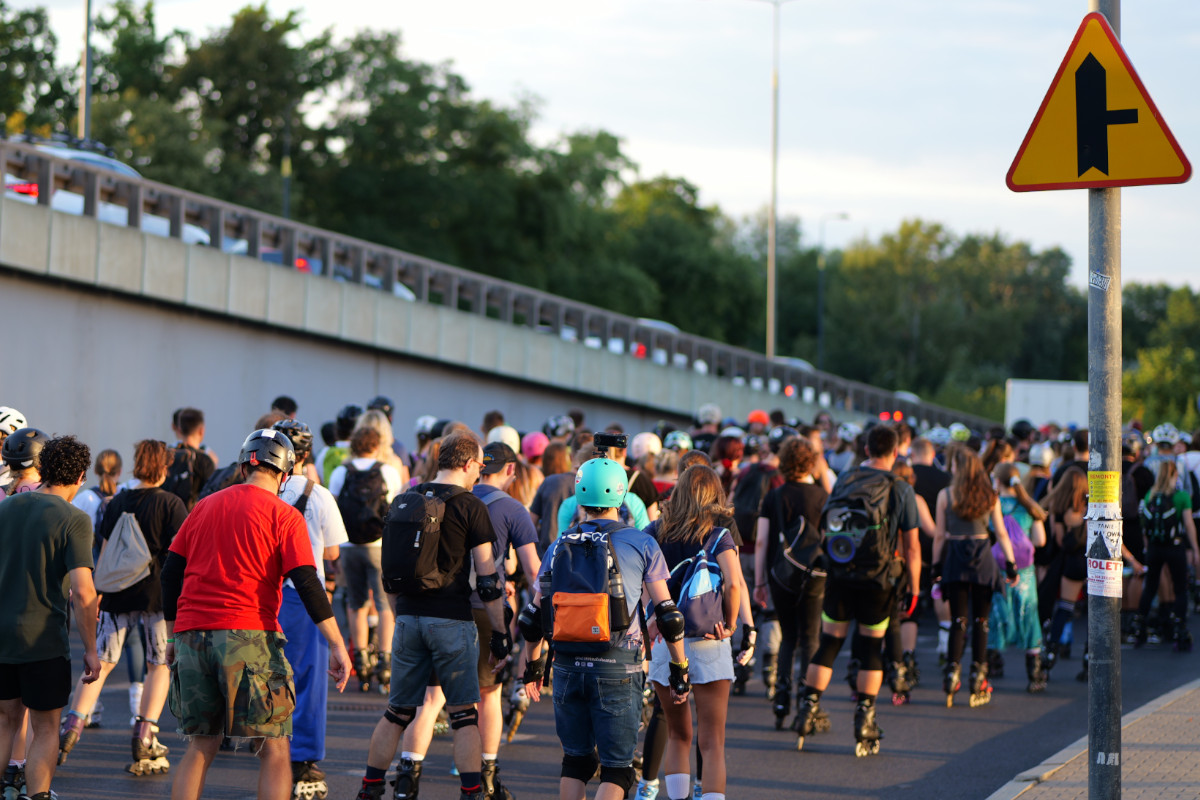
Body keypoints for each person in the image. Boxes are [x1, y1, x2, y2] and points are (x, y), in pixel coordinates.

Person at [162, 429, 351, 800]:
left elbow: (171, 572)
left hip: (192, 635)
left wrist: (171, 636)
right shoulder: (285, 515)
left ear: (244, 464)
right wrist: (337, 645)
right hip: (249, 637)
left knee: (201, 745)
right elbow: (309, 584)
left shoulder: (205, 505)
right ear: (284, 474)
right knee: (275, 746)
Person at [520, 446, 691, 800]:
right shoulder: (640, 542)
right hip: (618, 667)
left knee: (576, 763)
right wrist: (679, 667)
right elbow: (668, 616)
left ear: (580, 492)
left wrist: (534, 665)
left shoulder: (558, 546)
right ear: (621, 491)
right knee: (617, 770)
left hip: (567, 666)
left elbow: (532, 617)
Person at [355, 430, 510, 800]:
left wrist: (401, 614)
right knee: (463, 716)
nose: (479, 475)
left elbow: (388, 574)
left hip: (408, 618)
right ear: (470, 463)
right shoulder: (471, 506)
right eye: (478, 467)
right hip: (452, 621)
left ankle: (370, 787)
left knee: (397, 712)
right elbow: (488, 581)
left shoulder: (404, 499)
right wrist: (501, 633)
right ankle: (472, 792)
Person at [388, 442, 540, 800]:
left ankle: (407, 773)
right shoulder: (510, 508)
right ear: (508, 471)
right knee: (486, 697)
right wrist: (528, 620)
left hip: (422, 606)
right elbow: (530, 572)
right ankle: (483, 777)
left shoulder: (421, 496)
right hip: (478, 609)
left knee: (428, 700)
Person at [57, 440, 188, 774]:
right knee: (159, 663)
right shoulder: (171, 504)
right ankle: (145, 735)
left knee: (101, 661)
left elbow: (103, 543)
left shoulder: (116, 503)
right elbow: (182, 553)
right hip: (156, 594)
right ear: (163, 466)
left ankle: (71, 728)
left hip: (116, 592)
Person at [793, 425, 920, 757]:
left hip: (840, 574)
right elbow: (913, 546)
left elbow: (825, 528)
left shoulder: (845, 479)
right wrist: (915, 587)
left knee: (830, 641)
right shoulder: (900, 488)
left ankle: (807, 708)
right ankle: (865, 717)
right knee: (871, 646)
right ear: (895, 452)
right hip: (878, 580)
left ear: (866, 449)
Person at [0, 435, 101, 800]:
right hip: (43, 640)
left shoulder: (6, 508)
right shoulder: (74, 520)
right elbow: (85, 592)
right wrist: (91, 649)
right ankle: (37, 796)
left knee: (4, 720)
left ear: (41, 469)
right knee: (45, 727)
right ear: (79, 477)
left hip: (2, 636)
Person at [647, 465, 745, 800]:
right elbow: (733, 583)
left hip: (666, 640)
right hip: (709, 639)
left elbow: (644, 583)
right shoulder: (719, 536)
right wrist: (731, 624)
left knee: (677, 734)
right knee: (713, 741)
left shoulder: (655, 532)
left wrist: (650, 618)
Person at [273, 420, 349, 798]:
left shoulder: (262, 491)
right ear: (306, 454)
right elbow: (333, 552)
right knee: (308, 679)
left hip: (263, 594)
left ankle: (267, 744)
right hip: (306, 597)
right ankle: (303, 760)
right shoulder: (317, 495)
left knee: (265, 673)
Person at [932, 447, 1019, 708]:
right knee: (982, 620)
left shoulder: (946, 495)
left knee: (959, 619)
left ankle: (951, 672)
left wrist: (936, 566)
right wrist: (1011, 564)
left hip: (956, 558)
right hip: (983, 557)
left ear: (957, 468)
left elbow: (939, 535)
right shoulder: (989, 496)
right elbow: (1001, 533)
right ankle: (978, 675)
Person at [755, 437, 829, 729]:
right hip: (813, 574)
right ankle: (806, 703)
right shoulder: (822, 497)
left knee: (788, 635)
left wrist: (759, 580)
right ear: (810, 462)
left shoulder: (774, 496)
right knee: (810, 637)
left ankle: (781, 697)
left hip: (780, 573)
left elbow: (761, 540)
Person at [328, 426, 404, 693]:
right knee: (384, 603)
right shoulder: (387, 471)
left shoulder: (341, 472)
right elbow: (396, 507)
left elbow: (333, 507)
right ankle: (384, 661)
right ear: (376, 445)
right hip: (379, 544)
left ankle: (360, 660)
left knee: (356, 602)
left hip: (349, 544)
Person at [986, 463, 1049, 693]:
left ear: (998, 481)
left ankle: (992, 664)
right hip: (1025, 571)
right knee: (1029, 614)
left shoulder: (993, 505)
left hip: (999, 568)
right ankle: (1034, 672)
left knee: (997, 612)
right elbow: (1040, 540)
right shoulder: (1029, 506)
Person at [1131, 459, 1199, 651]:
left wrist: (1147, 548)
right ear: (1175, 474)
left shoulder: (1149, 495)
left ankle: (1140, 625)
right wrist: (1195, 549)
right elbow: (1188, 525)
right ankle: (1180, 628)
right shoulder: (1181, 497)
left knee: (1150, 587)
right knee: (1180, 588)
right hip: (1175, 546)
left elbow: (1144, 526)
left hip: (1154, 548)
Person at [164, 408, 217, 511]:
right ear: (201, 431)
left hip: (166, 518)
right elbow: (212, 496)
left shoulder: (166, 456)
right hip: (193, 519)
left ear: (179, 429)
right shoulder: (205, 460)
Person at [529, 441, 574, 553]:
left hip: (545, 550)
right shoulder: (579, 483)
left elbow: (531, 522)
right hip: (571, 550)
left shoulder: (546, 482)